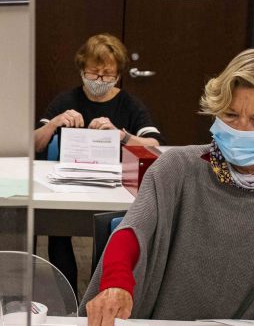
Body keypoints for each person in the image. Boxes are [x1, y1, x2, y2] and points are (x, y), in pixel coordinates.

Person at [82, 48, 254, 326]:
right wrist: (115, 284)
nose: (241, 129)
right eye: (230, 115)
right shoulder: (177, 168)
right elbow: (132, 232)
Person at [35, 33, 163, 294]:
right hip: (67, 185)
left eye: (108, 75)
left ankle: (96, 291)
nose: (100, 81)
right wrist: (55, 121)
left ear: (118, 75)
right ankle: (68, 295)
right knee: (58, 231)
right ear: (82, 70)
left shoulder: (129, 104)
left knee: (108, 233)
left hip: (111, 187)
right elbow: (35, 143)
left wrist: (122, 135)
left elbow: (154, 146)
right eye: (94, 74)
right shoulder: (66, 100)